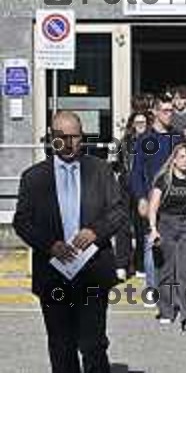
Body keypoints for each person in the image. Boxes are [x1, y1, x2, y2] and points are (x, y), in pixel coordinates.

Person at [13, 111, 127, 373]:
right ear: (51, 138)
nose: (67, 142)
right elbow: (22, 221)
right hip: (53, 273)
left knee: (93, 343)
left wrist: (95, 232)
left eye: (73, 136)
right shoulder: (33, 177)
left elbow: (119, 210)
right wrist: (49, 245)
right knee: (61, 345)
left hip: (92, 272)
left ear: (82, 138)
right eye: (61, 137)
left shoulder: (100, 170)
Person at [129, 93, 179, 299]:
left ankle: (172, 289)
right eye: (166, 111)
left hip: (176, 199)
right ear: (156, 112)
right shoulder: (145, 140)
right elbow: (136, 172)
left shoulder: (178, 138)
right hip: (152, 200)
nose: (170, 114)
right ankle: (152, 288)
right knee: (152, 243)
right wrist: (141, 198)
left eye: (172, 111)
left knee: (174, 246)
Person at [148, 143, 186, 331]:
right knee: (166, 270)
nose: (185, 160)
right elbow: (153, 207)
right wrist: (153, 229)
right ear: (174, 159)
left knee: (185, 271)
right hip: (166, 224)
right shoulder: (164, 179)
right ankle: (166, 310)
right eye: (182, 157)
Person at [113, 111, 151, 280]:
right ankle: (122, 264)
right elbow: (117, 163)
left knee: (142, 226)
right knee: (123, 225)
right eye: (137, 123)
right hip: (125, 186)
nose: (140, 125)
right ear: (132, 125)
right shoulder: (125, 142)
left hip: (143, 187)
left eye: (143, 122)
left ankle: (141, 265)